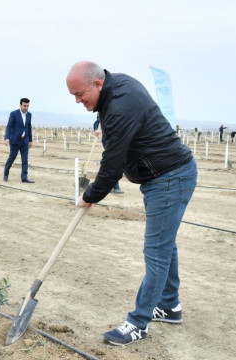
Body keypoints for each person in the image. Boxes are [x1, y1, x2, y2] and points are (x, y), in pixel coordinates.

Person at [67, 61, 196, 346]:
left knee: (156, 251)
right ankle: (170, 306)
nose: (77, 101)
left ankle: (138, 322)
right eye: (73, 96)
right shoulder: (115, 90)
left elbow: (112, 164)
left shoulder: (122, 104)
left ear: (97, 84)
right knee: (165, 244)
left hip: (170, 177)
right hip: (161, 177)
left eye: (79, 94)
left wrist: (89, 195)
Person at [3, 98, 33, 183]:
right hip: (15, 140)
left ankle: (24, 177)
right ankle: (5, 174)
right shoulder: (14, 114)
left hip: (25, 141)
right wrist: (7, 138)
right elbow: (9, 126)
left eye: (27, 106)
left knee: (25, 159)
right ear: (20, 105)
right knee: (12, 158)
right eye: (24, 106)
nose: (26, 108)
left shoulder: (29, 115)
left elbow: (28, 127)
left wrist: (30, 140)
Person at [93, 116, 123, 194]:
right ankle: (114, 186)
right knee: (113, 161)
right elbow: (98, 121)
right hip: (108, 137)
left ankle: (111, 186)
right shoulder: (104, 107)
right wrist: (96, 129)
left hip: (120, 137)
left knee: (116, 161)